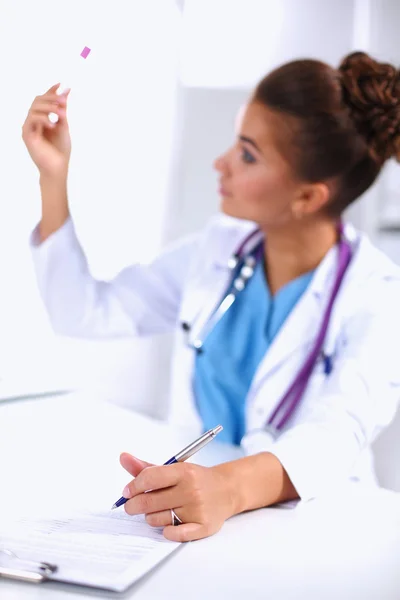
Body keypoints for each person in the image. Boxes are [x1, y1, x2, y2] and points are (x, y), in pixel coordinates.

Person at [22, 51, 400, 542]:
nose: (219, 163)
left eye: (247, 154)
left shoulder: (378, 295)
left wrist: (225, 488)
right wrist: (53, 177)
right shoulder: (217, 252)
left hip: (317, 532)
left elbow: (335, 434)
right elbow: (86, 312)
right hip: (203, 520)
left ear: (307, 197)